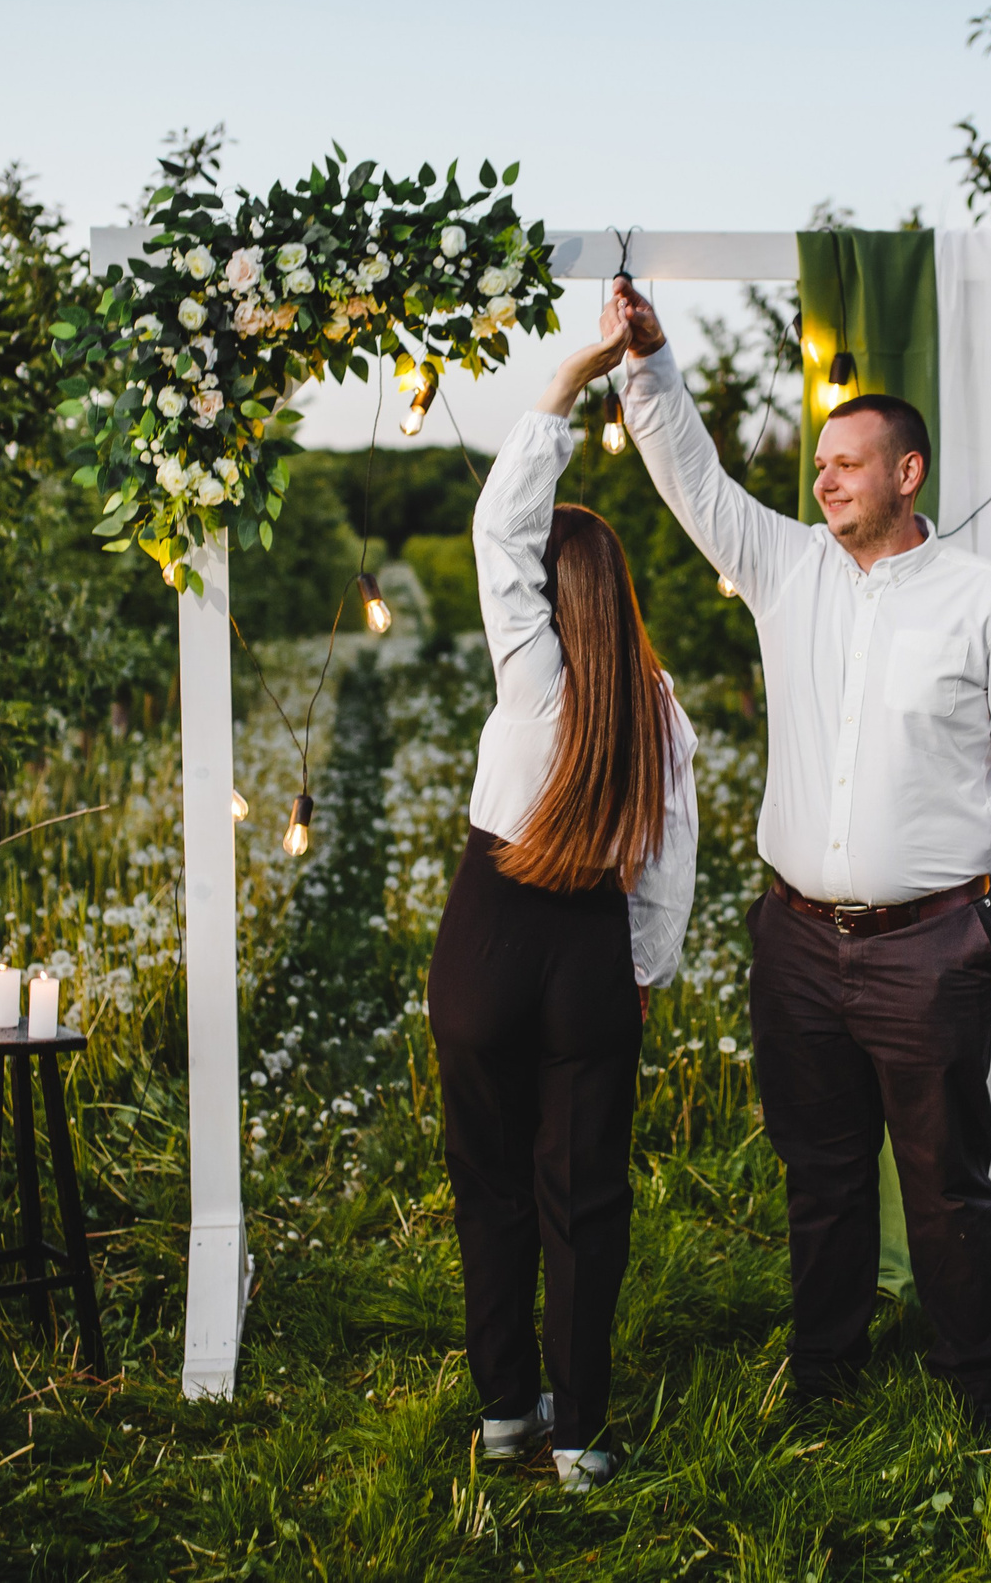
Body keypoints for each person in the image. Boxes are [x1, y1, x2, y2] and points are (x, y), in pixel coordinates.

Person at [609, 277, 991, 1428]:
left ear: (905, 474)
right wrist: (650, 366)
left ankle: (979, 1394)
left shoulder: (983, 602)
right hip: (798, 942)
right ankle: (823, 1381)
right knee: (816, 1178)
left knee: (945, 1186)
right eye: (819, 463)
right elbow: (692, 481)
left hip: (934, 947)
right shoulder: (785, 569)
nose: (823, 479)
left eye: (847, 463)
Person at [426, 296, 698, 1490]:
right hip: (591, 951)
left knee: (486, 1183)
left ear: (548, 597)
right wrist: (641, 976)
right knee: (582, 1199)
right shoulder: (660, 710)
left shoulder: (531, 679)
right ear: (619, 596)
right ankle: (580, 1435)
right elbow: (671, 861)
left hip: (487, 942)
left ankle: (501, 1412)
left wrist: (567, 382)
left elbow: (499, 528)